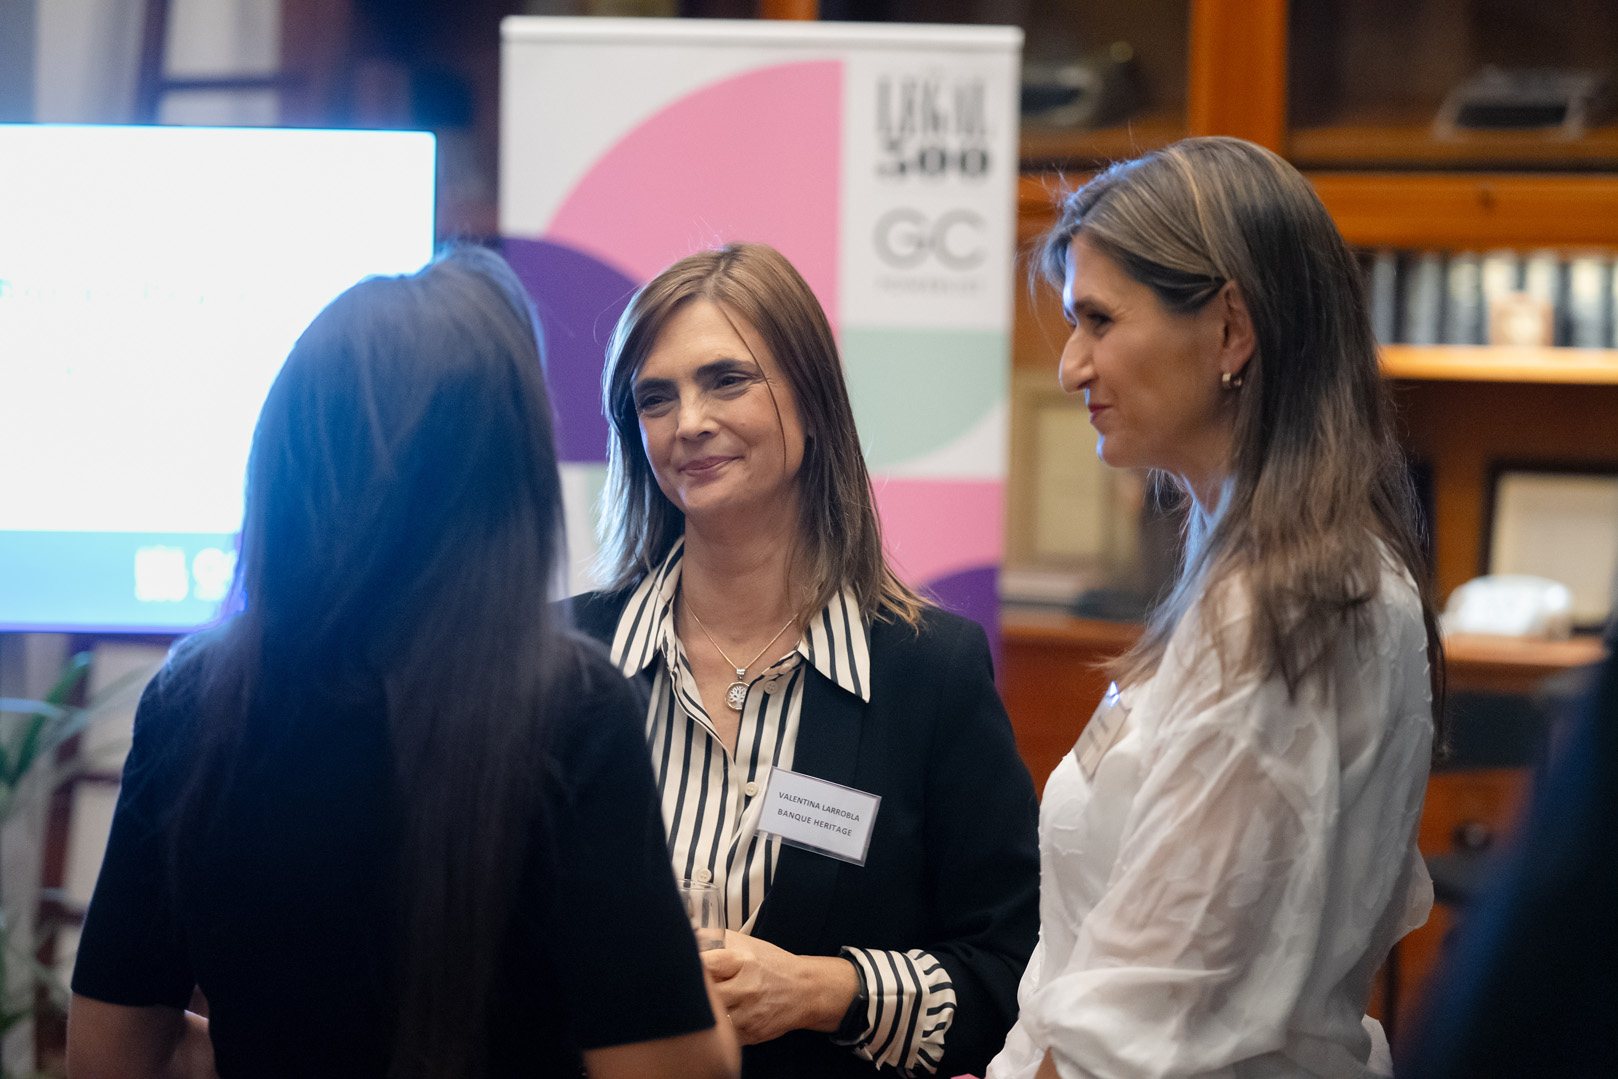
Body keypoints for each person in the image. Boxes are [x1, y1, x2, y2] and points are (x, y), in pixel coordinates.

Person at [66, 248, 738, 1079]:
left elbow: (107, 1055)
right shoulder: (569, 704)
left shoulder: (193, 698)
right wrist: (697, 986)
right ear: (505, 477)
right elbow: (668, 1070)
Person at [987, 137, 1444, 1078]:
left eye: (1099, 320)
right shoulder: (1269, 577)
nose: (1071, 366)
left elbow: (1131, 1032)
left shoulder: (1283, 608)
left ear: (1231, 330)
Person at [569, 242, 1039, 1078]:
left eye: (726, 380)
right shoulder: (563, 661)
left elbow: (1011, 973)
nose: (689, 421)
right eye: (655, 397)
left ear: (814, 403)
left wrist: (825, 990)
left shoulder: (930, 673)